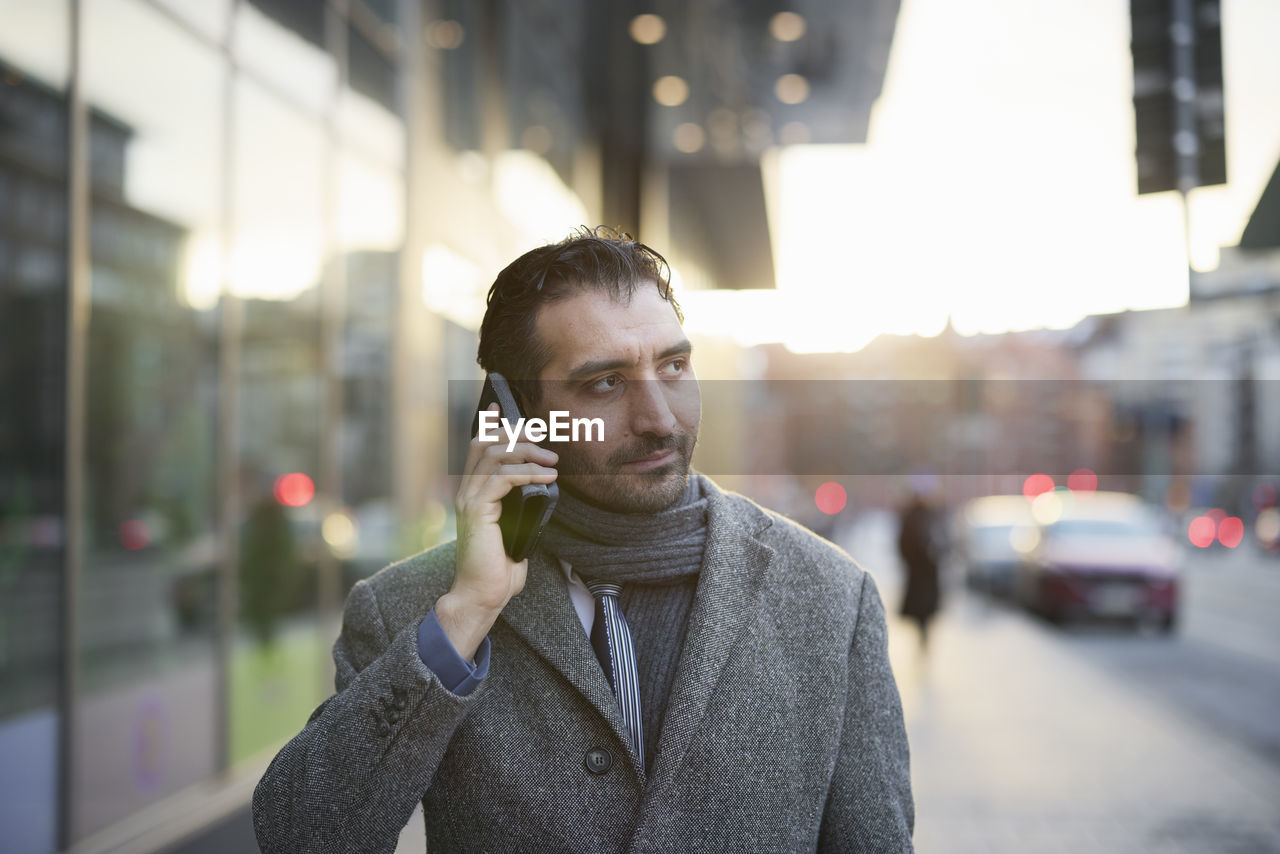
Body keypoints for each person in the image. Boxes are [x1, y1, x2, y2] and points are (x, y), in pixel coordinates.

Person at [252, 227, 915, 853]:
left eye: (675, 367)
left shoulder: (830, 598)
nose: (659, 420)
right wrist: (468, 613)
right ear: (514, 414)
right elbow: (300, 837)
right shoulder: (413, 611)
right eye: (604, 383)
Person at [897, 492, 941, 651]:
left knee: (924, 606)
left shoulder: (928, 515)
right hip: (922, 572)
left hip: (922, 572)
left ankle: (923, 632)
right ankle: (922, 633)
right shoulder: (926, 515)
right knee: (923, 606)